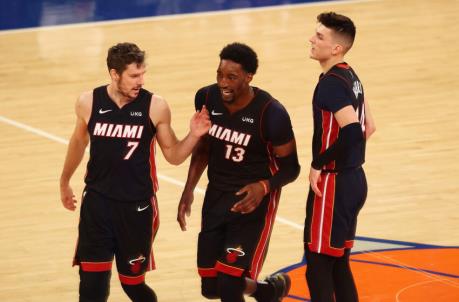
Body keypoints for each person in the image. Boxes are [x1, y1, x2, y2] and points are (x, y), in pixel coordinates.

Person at [59, 42, 211, 302]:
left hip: (137, 208)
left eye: (143, 74)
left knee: (133, 285)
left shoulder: (155, 106)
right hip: (97, 204)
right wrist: (65, 182)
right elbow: (78, 141)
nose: (140, 81)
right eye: (133, 75)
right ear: (114, 74)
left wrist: (194, 135)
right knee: (91, 287)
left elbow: (173, 155)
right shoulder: (88, 102)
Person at [177, 42, 300, 302]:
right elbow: (203, 148)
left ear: (249, 77)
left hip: (252, 202)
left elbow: (292, 168)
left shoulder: (272, 113)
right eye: (220, 75)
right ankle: (267, 291)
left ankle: (261, 289)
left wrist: (263, 187)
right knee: (211, 288)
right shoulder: (206, 97)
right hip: (216, 195)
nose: (223, 82)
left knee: (229, 284)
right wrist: (188, 190)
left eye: (231, 77)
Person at [304, 12, 376, 302]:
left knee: (318, 267)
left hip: (334, 185)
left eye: (320, 36)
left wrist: (319, 164)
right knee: (339, 264)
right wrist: (349, 159)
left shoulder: (331, 84)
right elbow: (369, 125)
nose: (311, 39)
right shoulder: (351, 74)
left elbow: (353, 132)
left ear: (337, 48)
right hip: (355, 180)